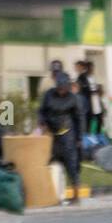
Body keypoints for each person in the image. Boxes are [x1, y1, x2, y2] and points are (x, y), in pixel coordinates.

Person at [39, 71, 84, 199]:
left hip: (67, 134)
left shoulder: (73, 98)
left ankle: (76, 194)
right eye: (59, 87)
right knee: (47, 162)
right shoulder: (49, 95)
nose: (61, 90)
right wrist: (42, 124)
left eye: (64, 88)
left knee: (71, 164)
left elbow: (79, 118)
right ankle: (47, 193)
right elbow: (42, 111)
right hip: (51, 134)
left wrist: (79, 137)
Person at [75, 60, 104, 136]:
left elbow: (100, 88)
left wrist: (99, 90)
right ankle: (88, 138)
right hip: (88, 103)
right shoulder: (81, 77)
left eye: (92, 67)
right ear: (86, 68)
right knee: (89, 121)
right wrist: (93, 91)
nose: (91, 69)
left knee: (99, 120)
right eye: (89, 67)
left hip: (97, 101)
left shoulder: (94, 76)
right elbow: (82, 89)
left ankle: (98, 136)